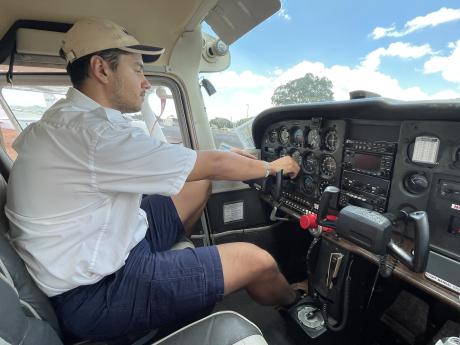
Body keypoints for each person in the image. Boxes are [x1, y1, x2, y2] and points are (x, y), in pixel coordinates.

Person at [5, 18, 301, 341]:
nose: (145, 82)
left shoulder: (69, 121)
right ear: (101, 69)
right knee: (256, 261)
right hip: (95, 293)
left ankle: (173, 275)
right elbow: (212, 162)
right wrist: (273, 168)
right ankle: (297, 303)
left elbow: (191, 164)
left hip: (105, 250)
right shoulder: (95, 136)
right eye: (137, 70)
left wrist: (243, 158)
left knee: (198, 183)